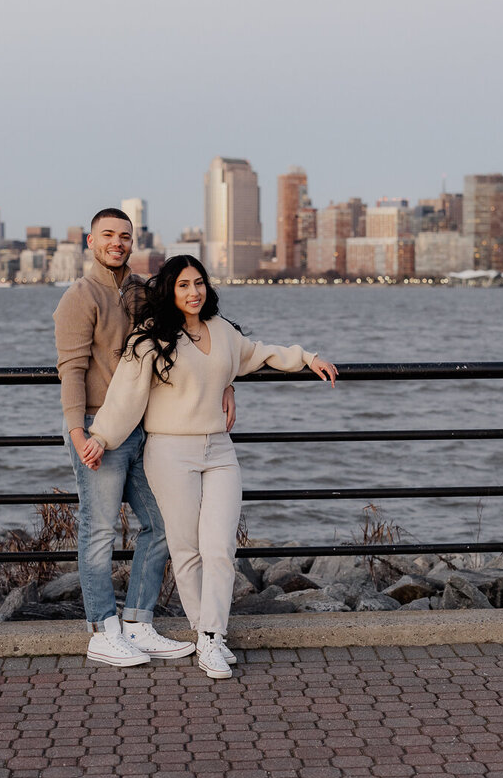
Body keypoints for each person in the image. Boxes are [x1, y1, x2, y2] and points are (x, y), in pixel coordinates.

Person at [84, 255, 338, 679]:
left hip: (220, 450)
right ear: (169, 290)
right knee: (186, 550)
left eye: (199, 283)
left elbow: (260, 353)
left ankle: (212, 638)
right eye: (183, 285)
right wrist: (100, 438)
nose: (193, 292)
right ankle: (207, 637)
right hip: (169, 452)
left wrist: (307, 358)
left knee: (220, 548)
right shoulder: (150, 337)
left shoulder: (222, 331)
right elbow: (125, 397)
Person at [53, 209, 236, 667]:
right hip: (99, 428)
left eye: (125, 236)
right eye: (108, 235)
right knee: (98, 530)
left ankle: (136, 622)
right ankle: (101, 629)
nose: (118, 242)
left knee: (162, 527)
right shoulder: (79, 296)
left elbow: (192, 332)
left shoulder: (141, 291)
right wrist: (79, 433)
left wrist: (226, 380)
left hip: (143, 427)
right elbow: (71, 371)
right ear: (90, 240)